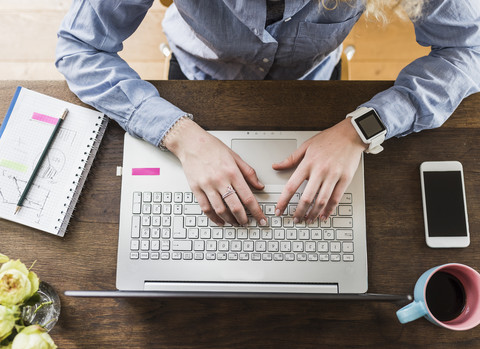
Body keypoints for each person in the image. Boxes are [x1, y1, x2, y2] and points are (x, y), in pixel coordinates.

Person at [56, 0, 480, 228]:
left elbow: (469, 49)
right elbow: (79, 47)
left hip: (316, 87)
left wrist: (362, 129)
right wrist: (179, 133)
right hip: (195, 75)